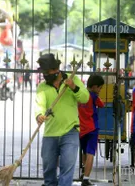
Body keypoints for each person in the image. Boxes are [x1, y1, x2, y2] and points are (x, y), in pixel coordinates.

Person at [35, 53, 89, 186]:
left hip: (70, 131)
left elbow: (85, 98)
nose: (45, 75)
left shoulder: (73, 79)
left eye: (48, 72)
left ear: (56, 70)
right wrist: (39, 115)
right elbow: (39, 105)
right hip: (50, 133)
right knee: (48, 170)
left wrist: (73, 87)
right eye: (44, 73)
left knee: (67, 170)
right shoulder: (43, 87)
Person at [78, 74, 105, 186]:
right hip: (92, 128)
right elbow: (102, 105)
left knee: (84, 152)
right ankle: (86, 178)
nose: (100, 90)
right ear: (94, 87)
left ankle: (83, 172)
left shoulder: (81, 95)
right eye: (100, 88)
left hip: (81, 128)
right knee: (90, 153)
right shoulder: (93, 96)